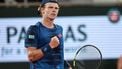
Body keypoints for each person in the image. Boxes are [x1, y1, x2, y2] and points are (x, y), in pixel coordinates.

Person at [24, 0, 64, 69]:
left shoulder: (59, 29)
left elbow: (58, 54)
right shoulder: (33, 30)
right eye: (50, 7)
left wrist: (66, 65)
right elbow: (31, 57)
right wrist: (50, 46)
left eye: (56, 8)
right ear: (42, 10)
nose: (54, 10)